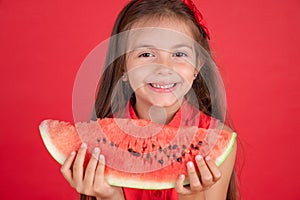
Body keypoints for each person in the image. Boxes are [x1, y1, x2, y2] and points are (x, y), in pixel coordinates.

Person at [61, 0, 238, 199]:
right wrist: (109, 196)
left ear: (197, 67)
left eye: (179, 54)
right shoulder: (99, 142)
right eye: (146, 54)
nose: (164, 67)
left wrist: (192, 196)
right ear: (123, 68)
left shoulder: (215, 140)